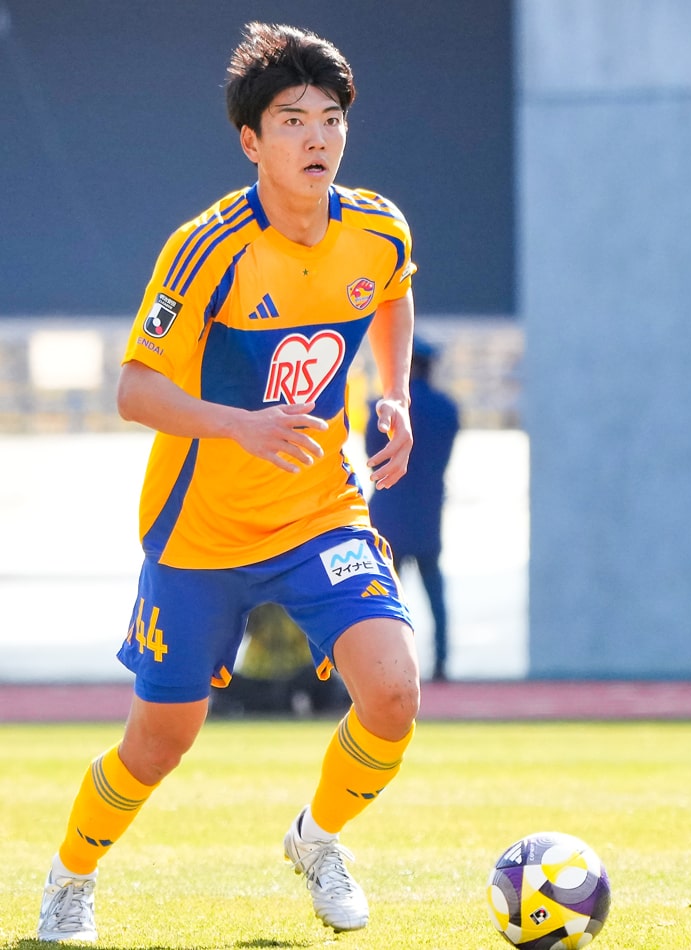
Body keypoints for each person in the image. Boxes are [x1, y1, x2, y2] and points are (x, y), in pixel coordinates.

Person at [37, 21, 420, 943]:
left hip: (320, 513)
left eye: (331, 119)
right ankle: (70, 877)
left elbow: (394, 289)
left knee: (394, 694)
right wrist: (239, 426)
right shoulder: (207, 248)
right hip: (200, 534)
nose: (318, 138)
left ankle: (317, 841)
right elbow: (134, 390)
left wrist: (395, 393)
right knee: (158, 743)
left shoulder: (376, 229)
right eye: (292, 121)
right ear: (251, 140)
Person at [365, 337, 459, 681]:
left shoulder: (381, 410)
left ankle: (389, 667)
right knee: (435, 594)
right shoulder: (447, 409)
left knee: (385, 600)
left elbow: (372, 455)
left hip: (388, 512)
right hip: (428, 513)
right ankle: (442, 663)